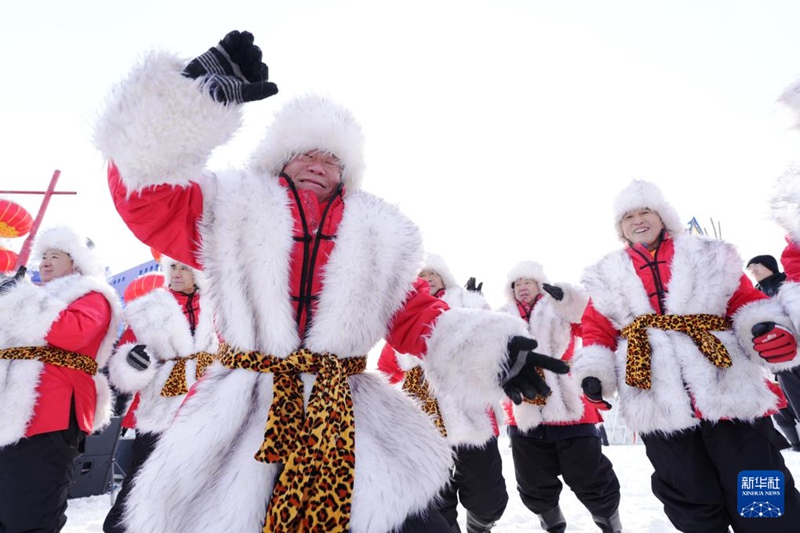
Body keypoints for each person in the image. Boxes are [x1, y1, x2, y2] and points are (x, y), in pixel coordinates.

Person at [94, 30, 568, 533]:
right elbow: (142, 193)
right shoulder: (229, 205)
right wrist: (187, 101)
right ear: (280, 157)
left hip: (344, 407)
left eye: (333, 159)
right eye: (306, 153)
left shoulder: (380, 233)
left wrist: (488, 350)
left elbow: (415, 313)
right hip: (242, 409)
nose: (319, 165)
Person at [572, 179, 800, 533]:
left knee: (760, 493)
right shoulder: (604, 274)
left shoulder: (709, 253)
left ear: (663, 216)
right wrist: (594, 373)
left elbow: (746, 302)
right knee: (689, 500)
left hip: (729, 393)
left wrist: (766, 330)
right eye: (628, 216)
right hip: (656, 402)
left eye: (645, 210)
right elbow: (596, 330)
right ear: (621, 228)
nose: (638, 219)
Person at [0, 226, 121, 532]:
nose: (44, 263)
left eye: (55, 255)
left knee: (31, 513)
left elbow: (72, 332)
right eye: (43, 257)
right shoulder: (37, 297)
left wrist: (22, 297)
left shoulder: (92, 294)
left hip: (53, 413)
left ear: (77, 261)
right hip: (11, 415)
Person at [378, 254, 508, 533]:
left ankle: (480, 523)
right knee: (437, 499)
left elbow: (490, 342)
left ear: (444, 278)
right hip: (426, 424)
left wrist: (478, 307)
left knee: (487, 496)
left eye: (431, 274)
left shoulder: (466, 306)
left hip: (470, 415)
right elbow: (387, 369)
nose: (425, 278)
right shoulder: (400, 320)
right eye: (420, 275)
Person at [498, 261, 622, 533]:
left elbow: (586, 321)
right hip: (524, 405)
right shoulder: (502, 316)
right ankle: (552, 524)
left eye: (527, 282)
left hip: (568, 401)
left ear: (539, 284)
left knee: (589, 474)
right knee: (532, 480)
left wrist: (569, 300)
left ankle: (609, 522)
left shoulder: (557, 307)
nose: (522, 288)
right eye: (516, 284)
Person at [103, 257, 219, 533]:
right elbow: (123, 355)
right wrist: (133, 360)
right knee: (143, 476)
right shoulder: (147, 309)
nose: (176, 274)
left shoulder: (220, 307)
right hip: (161, 403)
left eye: (184, 268)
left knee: (197, 480)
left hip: (206, 402)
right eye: (173, 268)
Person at [746, 254, 800, 452]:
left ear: (770, 266)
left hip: (795, 349)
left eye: (757, 265)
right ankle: (795, 444)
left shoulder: (788, 284)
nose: (753, 270)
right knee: (782, 404)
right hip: (775, 358)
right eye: (750, 268)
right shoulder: (753, 294)